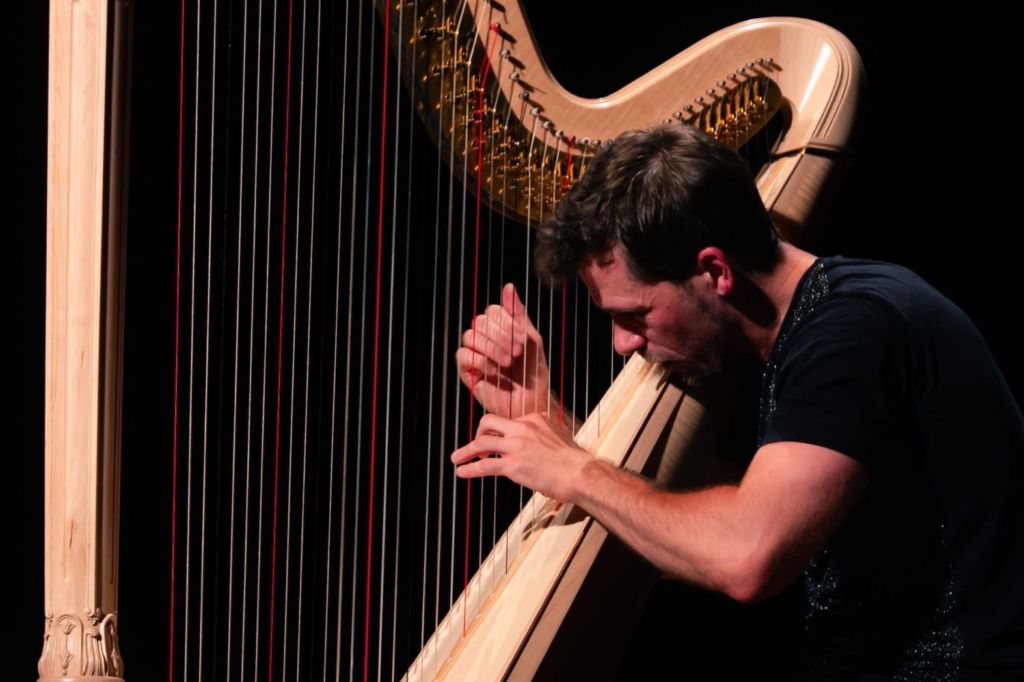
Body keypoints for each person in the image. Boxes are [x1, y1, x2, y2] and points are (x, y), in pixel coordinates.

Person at [452, 124, 1024, 679]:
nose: (622, 343)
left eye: (635, 314)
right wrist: (547, 423)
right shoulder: (815, 321)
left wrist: (575, 469)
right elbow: (702, 520)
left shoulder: (852, 332)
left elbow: (746, 553)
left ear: (715, 271)